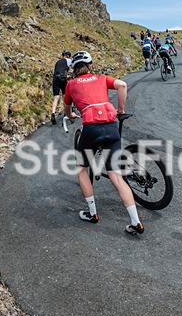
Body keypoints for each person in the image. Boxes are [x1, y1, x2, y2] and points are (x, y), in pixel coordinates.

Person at [63, 51, 144, 235]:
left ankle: (92, 214)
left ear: (75, 70)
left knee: (82, 169)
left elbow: (67, 110)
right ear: (90, 66)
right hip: (111, 125)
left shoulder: (70, 85)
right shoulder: (100, 78)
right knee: (116, 175)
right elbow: (122, 85)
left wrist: (71, 115)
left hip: (91, 128)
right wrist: (120, 110)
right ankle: (135, 222)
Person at [51, 50, 72, 124]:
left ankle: (53, 114)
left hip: (55, 80)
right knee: (65, 96)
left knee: (56, 97)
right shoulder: (68, 60)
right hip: (63, 80)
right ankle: (66, 112)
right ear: (68, 56)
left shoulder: (57, 62)